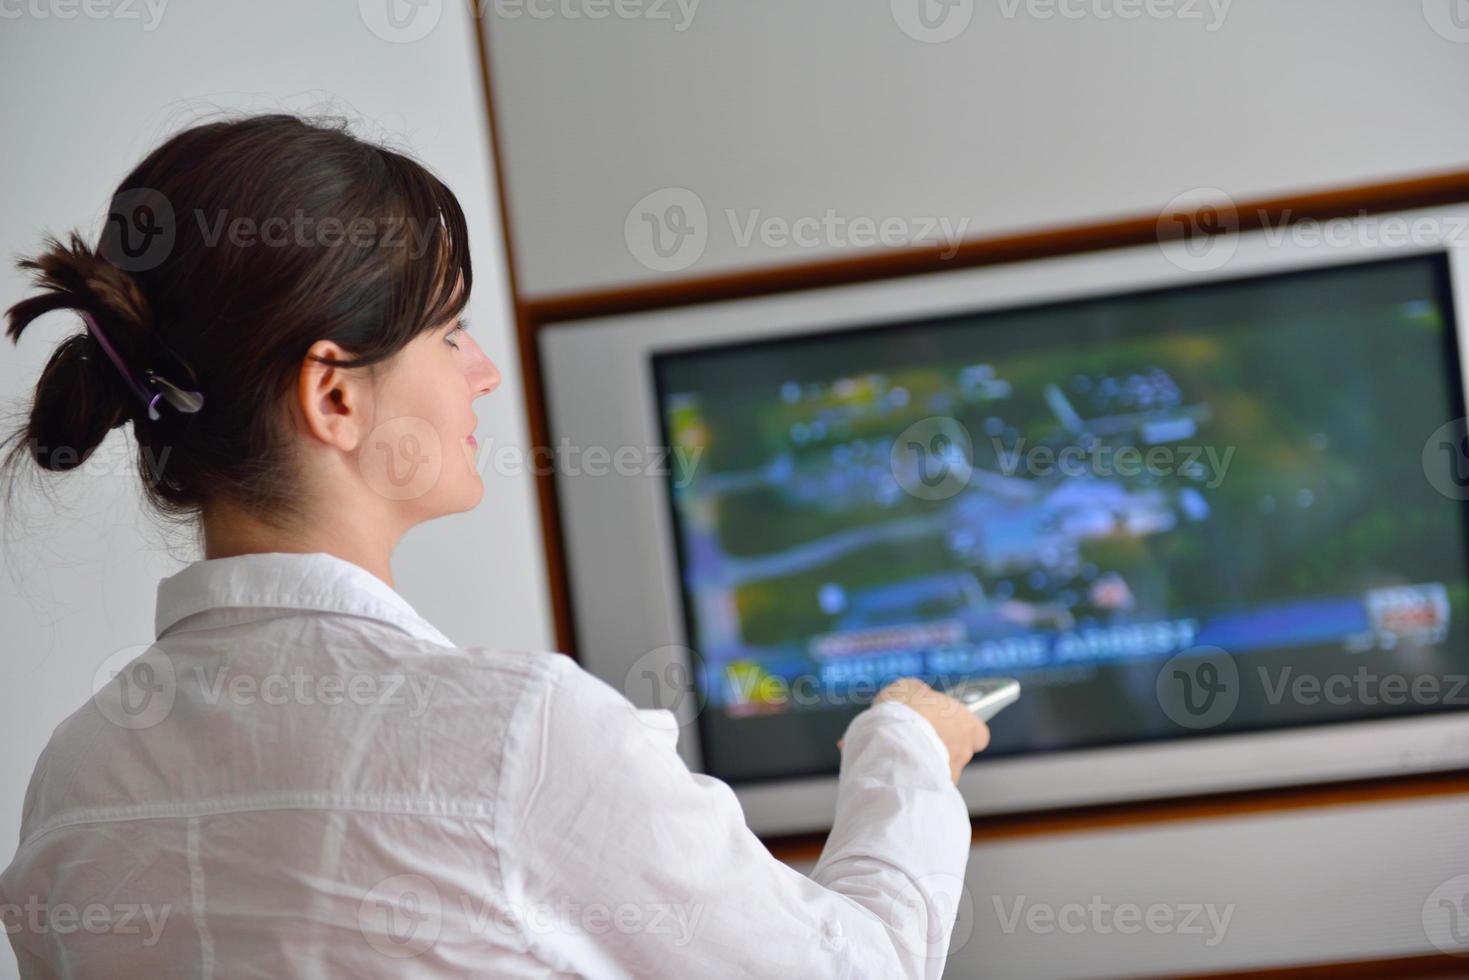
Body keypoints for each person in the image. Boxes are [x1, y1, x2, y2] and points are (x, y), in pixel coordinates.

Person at [0, 114, 990, 978]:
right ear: (335, 396)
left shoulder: (76, 776)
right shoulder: (518, 736)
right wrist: (906, 752)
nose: (481, 372)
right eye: (447, 330)